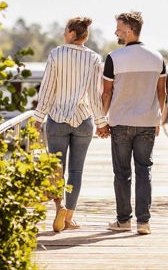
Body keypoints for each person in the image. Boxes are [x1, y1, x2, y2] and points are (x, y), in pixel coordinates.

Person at [33, 17, 110, 232]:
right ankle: (68, 219)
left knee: (57, 169)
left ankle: (60, 207)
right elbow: (95, 95)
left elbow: (47, 88)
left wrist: (38, 117)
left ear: (72, 34)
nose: (63, 34)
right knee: (76, 171)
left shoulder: (56, 54)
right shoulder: (94, 58)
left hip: (57, 118)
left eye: (65, 31)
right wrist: (101, 123)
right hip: (83, 120)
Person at [100, 11, 166, 235]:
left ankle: (123, 221)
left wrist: (102, 121)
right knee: (144, 170)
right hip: (147, 122)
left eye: (118, 29)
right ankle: (143, 222)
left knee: (122, 173)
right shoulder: (157, 58)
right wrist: (157, 119)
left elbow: (106, 94)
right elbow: (161, 92)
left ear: (129, 31)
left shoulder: (113, 58)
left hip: (121, 122)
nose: (115, 32)